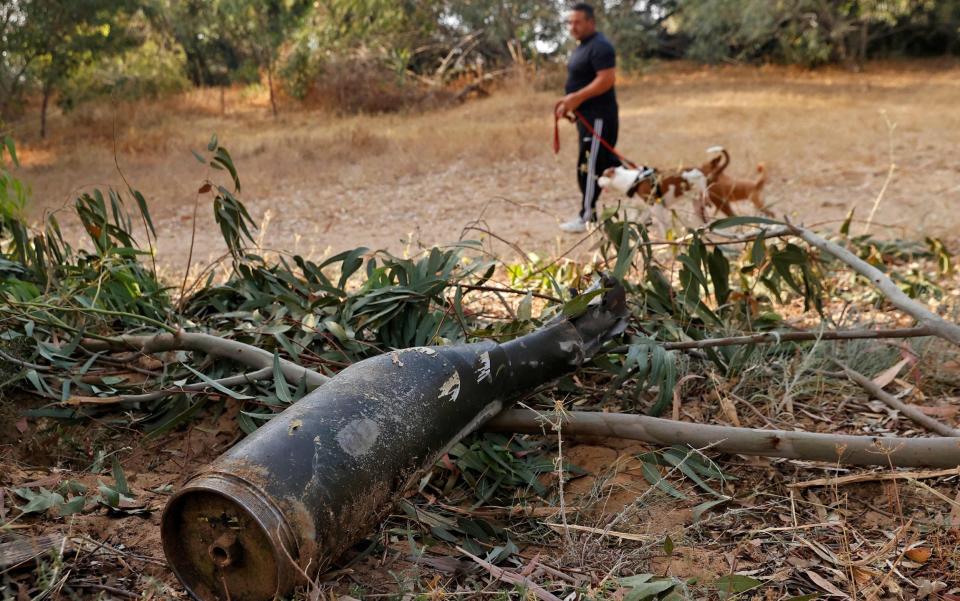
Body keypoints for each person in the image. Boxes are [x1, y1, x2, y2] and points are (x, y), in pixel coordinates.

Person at [555, 2, 620, 233]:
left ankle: (587, 216)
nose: (572, 27)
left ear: (591, 22)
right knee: (609, 166)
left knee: (589, 167)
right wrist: (570, 106)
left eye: (577, 22)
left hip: (599, 119)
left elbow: (606, 79)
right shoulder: (582, 46)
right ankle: (652, 196)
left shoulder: (600, 47)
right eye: (570, 22)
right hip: (587, 118)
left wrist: (576, 98)